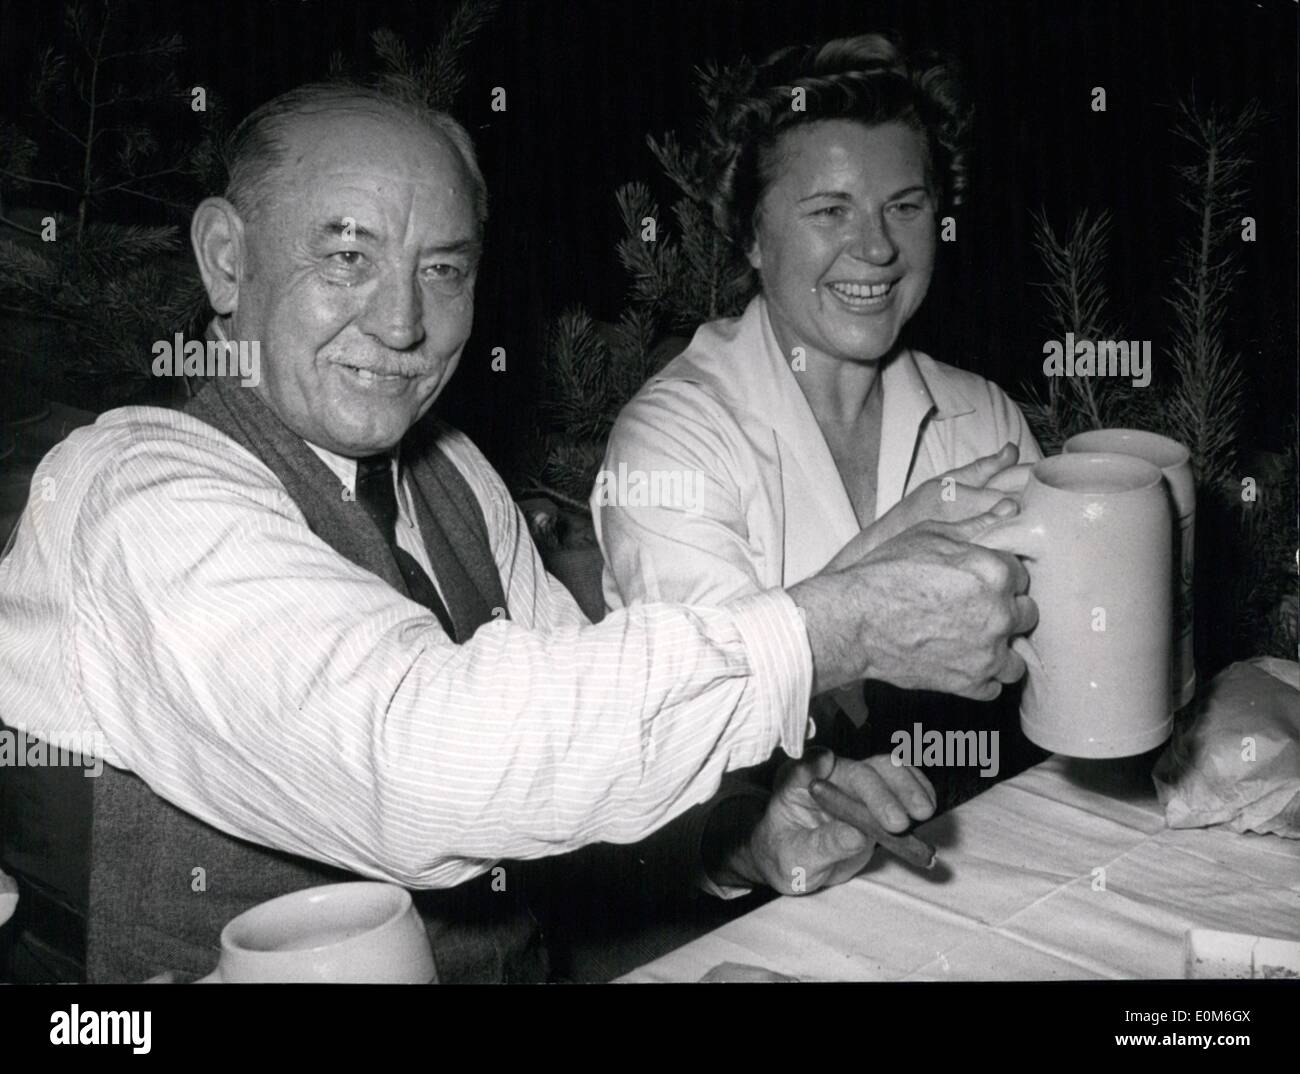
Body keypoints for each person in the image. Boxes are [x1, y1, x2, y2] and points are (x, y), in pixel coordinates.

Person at [0, 80, 1034, 983]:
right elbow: (415, 766)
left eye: (444, 270)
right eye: (348, 255)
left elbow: (559, 762)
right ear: (225, 259)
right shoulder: (135, 491)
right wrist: (828, 632)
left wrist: (734, 836)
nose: (402, 322)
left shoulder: (447, 471)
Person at [595, 34, 1044, 896]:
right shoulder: (674, 438)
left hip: (988, 862)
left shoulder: (982, 414)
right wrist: (881, 558)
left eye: (905, 207)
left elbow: (1068, 675)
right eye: (829, 210)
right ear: (754, 237)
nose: (875, 248)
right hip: (776, 911)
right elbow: (698, 724)